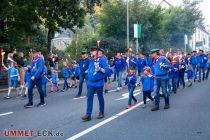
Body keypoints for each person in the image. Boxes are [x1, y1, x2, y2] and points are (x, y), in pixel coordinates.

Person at [82, 46, 108, 122]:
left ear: (98, 52)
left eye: (93, 51)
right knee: (89, 97)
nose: (91, 52)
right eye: (91, 51)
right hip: (90, 82)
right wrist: (88, 71)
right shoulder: (91, 60)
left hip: (99, 82)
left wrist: (99, 69)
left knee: (100, 97)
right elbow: (90, 67)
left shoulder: (103, 59)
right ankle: (88, 114)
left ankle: (101, 112)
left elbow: (106, 71)